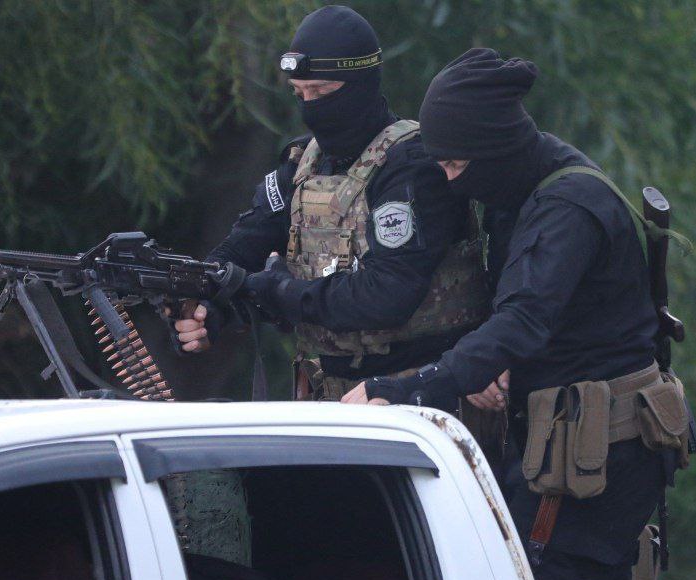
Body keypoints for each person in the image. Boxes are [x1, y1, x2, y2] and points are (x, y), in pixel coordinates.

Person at [342, 48, 686, 580]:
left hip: (598, 454)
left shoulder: (568, 206)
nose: (449, 180)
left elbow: (524, 319)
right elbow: (529, 318)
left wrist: (409, 388)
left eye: (456, 164)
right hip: (562, 442)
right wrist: (492, 365)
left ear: (494, 149)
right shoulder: (517, 189)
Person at [172, 5, 490, 402]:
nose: (310, 106)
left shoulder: (411, 167)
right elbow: (243, 246)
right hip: (330, 396)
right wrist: (209, 307)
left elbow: (387, 295)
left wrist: (278, 292)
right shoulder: (300, 163)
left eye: (321, 92)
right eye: (299, 93)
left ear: (360, 85)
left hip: (419, 397)